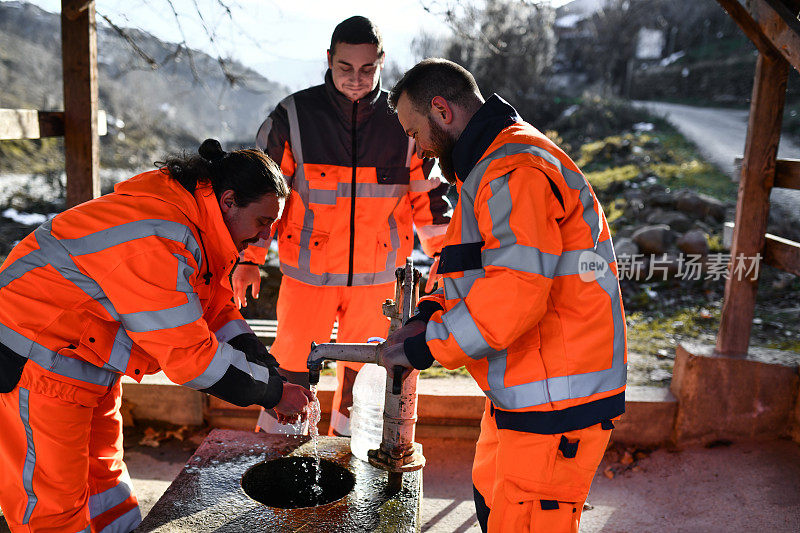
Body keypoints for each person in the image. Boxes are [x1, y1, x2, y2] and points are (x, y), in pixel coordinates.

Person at [0, 139, 314, 533]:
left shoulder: (196, 224)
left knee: (102, 475)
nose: (264, 235)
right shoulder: (161, 233)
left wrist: (268, 368)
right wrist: (272, 392)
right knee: (52, 504)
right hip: (37, 359)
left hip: (83, 358)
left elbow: (216, 310)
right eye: (263, 222)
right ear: (230, 201)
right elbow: (190, 356)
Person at [381, 59, 628, 532]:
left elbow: (516, 290)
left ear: (442, 110)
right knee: (493, 506)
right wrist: (429, 311)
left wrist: (429, 344)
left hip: (557, 401)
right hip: (528, 389)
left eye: (416, 132)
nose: (417, 149)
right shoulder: (489, 166)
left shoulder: (513, 168)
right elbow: (463, 262)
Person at [234, 16, 451, 436]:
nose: (356, 79)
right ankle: (281, 458)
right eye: (345, 68)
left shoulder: (406, 120)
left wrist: (444, 260)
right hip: (306, 276)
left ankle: (353, 470)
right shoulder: (293, 116)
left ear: (382, 62)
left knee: (366, 377)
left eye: (368, 69)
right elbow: (260, 196)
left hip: (378, 279)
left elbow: (429, 196)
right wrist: (248, 259)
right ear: (329, 59)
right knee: (292, 366)